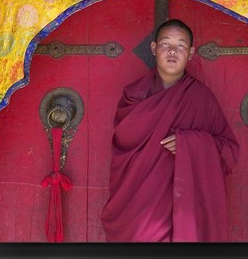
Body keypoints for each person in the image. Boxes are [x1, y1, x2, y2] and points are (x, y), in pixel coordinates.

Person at [100, 19, 240, 242]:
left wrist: (191, 144)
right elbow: (124, 150)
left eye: (181, 45)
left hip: (183, 206)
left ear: (191, 52)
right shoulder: (133, 97)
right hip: (136, 208)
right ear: (154, 48)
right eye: (166, 44)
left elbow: (230, 151)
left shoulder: (201, 99)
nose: (173, 51)